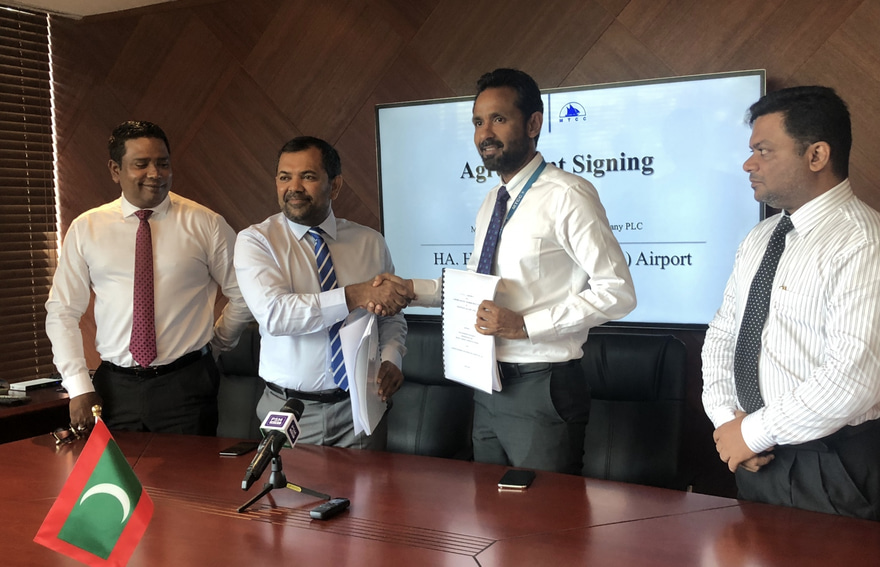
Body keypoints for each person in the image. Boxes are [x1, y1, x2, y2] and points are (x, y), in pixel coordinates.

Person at [378, 68, 636, 474]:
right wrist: (411, 289)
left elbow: (617, 291)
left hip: (542, 385)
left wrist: (525, 325)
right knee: (490, 509)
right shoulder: (492, 201)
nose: (485, 134)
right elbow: (475, 287)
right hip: (487, 382)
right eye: (478, 122)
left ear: (533, 124)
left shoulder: (568, 195)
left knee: (543, 513)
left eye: (498, 119)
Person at [702, 86, 880, 520]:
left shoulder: (863, 242)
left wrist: (752, 432)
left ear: (816, 155)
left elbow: (853, 378)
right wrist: (729, 422)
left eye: (763, 151)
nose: (748, 164)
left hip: (831, 465)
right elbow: (724, 333)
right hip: (754, 456)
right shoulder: (760, 238)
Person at [46, 121, 253, 436]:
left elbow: (244, 294)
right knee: (118, 470)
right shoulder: (86, 229)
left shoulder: (206, 224)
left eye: (163, 163)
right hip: (114, 389)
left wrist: (218, 342)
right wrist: (78, 386)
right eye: (141, 164)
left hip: (186, 387)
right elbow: (62, 311)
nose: (155, 174)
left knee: (188, 470)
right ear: (115, 170)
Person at [234, 136, 412, 449]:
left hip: (362, 408)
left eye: (308, 176)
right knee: (287, 484)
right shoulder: (256, 242)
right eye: (285, 177)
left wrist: (392, 357)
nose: (294, 187)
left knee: (369, 485)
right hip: (290, 412)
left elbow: (389, 316)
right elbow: (276, 315)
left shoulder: (369, 242)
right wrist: (354, 295)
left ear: (335, 185)